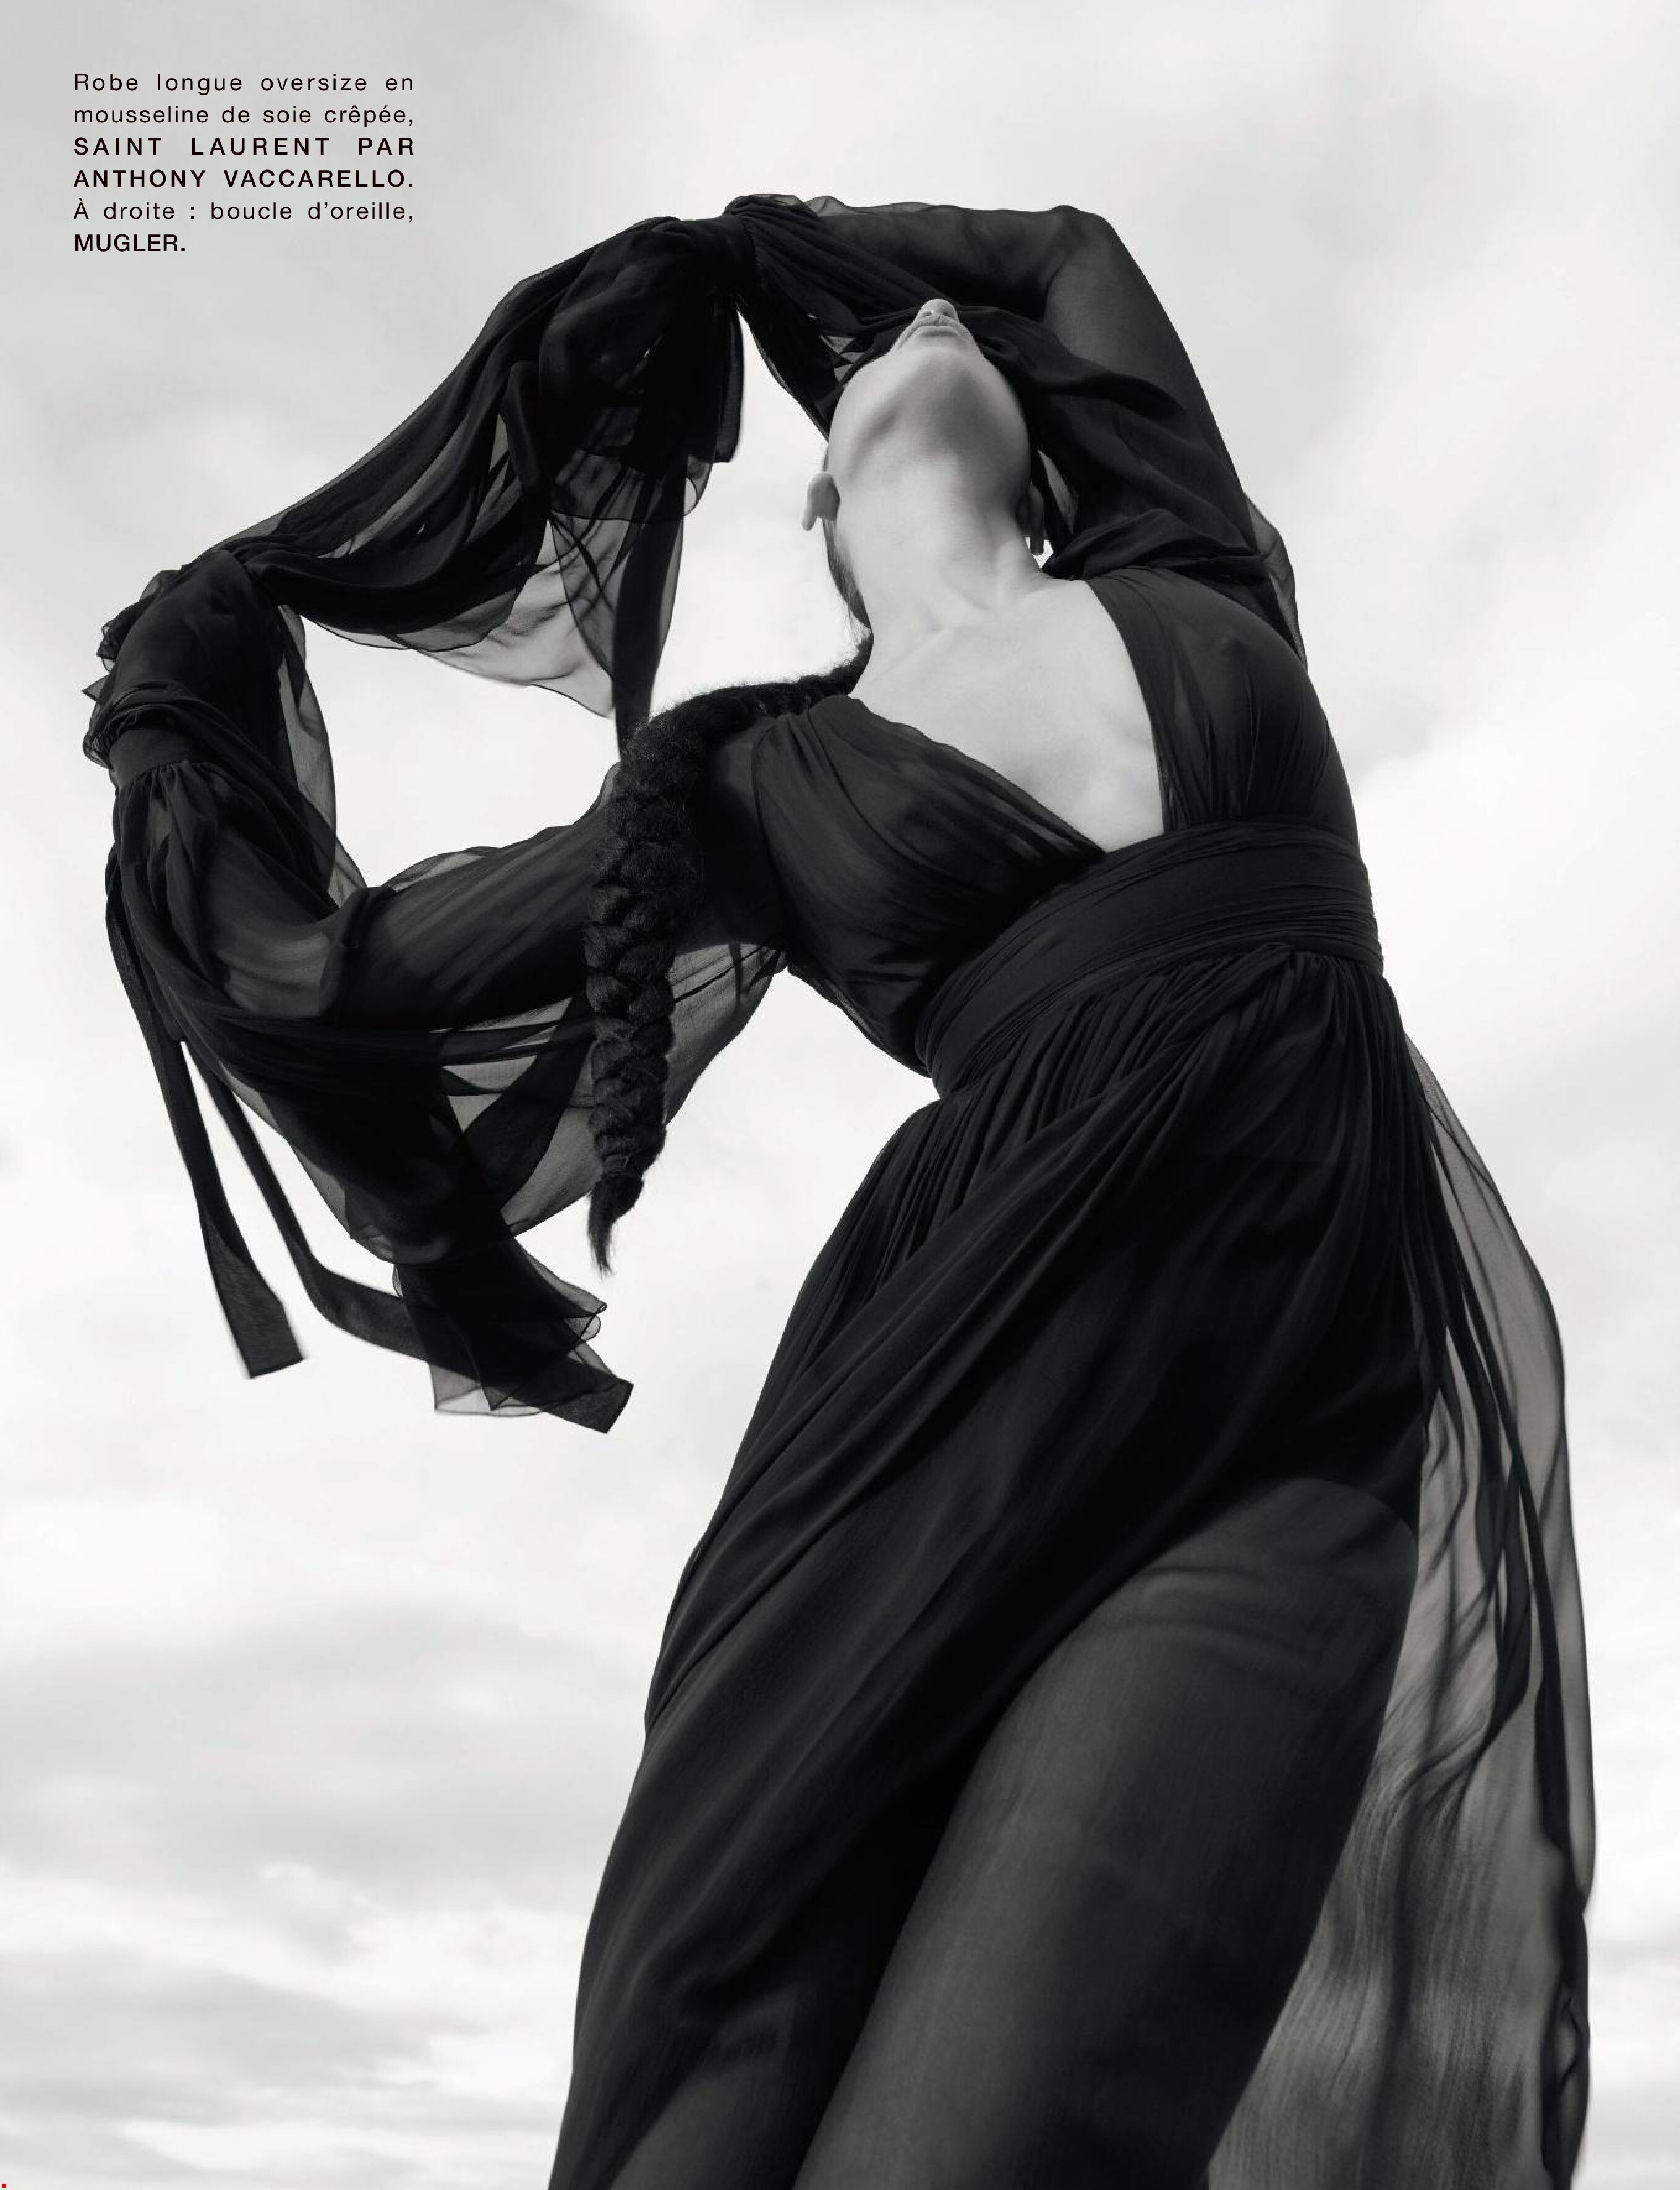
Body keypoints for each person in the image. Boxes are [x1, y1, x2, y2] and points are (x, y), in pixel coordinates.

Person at [83, 195, 1592, 2187]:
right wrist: (189, 687)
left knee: (991, 2141)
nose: (929, 319)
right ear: (814, 507)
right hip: (930, 1419)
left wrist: (741, 259)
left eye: (937, 329)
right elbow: (327, 977)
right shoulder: (746, 785)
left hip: (1284, 1431)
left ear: (1045, 437)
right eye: (884, 339)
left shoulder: (1185, 555)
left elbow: (1067, 258)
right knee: (719, 2090)